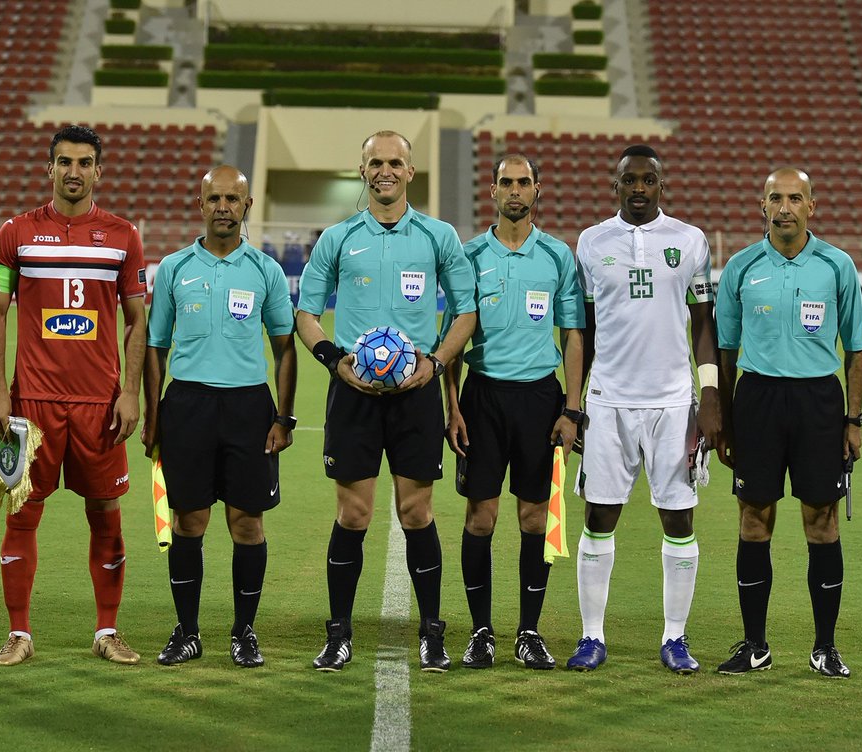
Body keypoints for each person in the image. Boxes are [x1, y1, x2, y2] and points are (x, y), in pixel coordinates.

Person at [295, 130, 478, 673]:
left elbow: (465, 312)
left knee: (416, 511)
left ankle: (432, 631)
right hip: (352, 392)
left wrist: (436, 363)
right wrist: (335, 360)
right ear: (363, 171)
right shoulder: (337, 238)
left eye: (395, 162)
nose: (385, 171)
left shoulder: (439, 236)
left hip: (415, 392)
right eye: (375, 162)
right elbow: (306, 313)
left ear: (410, 172)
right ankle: (338, 633)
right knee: (353, 514)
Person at [0, 124, 147, 666]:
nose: (73, 172)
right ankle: (19, 634)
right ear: (49, 168)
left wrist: (129, 392)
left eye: (84, 163)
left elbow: (136, 319)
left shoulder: (123, 235)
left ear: (99, 171)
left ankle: (107, 630)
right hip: (33, 402)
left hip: (100, 405)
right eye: (64, 162)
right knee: (21, 513)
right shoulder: (16, 233)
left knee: (106, 512)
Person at [569, 144, 721, 674]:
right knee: (598, 515)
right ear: (615, 186)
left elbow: (704, 324)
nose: (638, 188)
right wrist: (575, 403)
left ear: (661, 185)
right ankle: (591, 637)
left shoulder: (689, 240)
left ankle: (675, 638)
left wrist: (712, 397)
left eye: (648, 180)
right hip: (608, 400)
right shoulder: (590, 243)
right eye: (628, 180)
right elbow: (581, 333)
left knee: (678, 519)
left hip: (675, 402)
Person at [714, 168, 862, 679]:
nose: (784, 207)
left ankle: (825, 647)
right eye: (775, 198)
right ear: (761, 206)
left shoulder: (837, 265)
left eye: (794, 198)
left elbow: (857, 348)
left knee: (821, 520)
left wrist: (853, 420)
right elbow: (726, 351)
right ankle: (755, 645)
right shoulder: (740, 267)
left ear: (812, 206)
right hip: (756, 399)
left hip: (819, 403)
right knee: (754, 517)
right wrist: (728, 420)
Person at [142, 165, 297, 669]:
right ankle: (187, 631)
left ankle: (243, 631)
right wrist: (152, 415)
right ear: (201, 203)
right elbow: (154, 348)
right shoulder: (172, 268)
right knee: (189, 521)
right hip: (186, 405)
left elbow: (284, 348)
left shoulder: (266, 271)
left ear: (247, 206)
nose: (224, 207)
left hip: (249, 408)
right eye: (216, 198)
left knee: (246, 524)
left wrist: (284, 417)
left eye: (234, 198)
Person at [442, 154, 585, 670]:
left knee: (533, 517)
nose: (515, 191)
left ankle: (529, 630)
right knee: (481, 517)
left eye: (524, 182)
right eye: (507, 182)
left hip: (539, 400)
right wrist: (453, 407)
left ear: (538, 190)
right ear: (493, 191)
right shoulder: (470, 254)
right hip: (482, 397)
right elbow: (453, 338)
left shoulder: (557, 256)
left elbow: (573, 335)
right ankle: (481, 632)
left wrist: (572, 409)